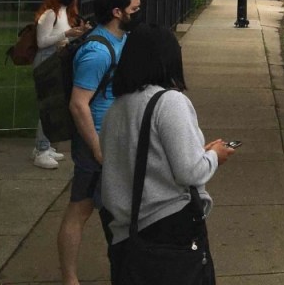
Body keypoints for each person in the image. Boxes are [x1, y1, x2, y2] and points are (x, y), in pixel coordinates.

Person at [100, 24, 235, 281]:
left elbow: (134, 160)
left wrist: (199, 153)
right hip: (168, 228)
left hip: (126, 233)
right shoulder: (170, 102)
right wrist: (215, 156)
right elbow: (190, 172)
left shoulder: (115, 110)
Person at [57, 0, 141, 285]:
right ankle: (70, 279)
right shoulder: (96, 51)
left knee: (117, 210)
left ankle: (124, 269)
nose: (138, 13)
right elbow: (78, 105)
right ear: (117, 12)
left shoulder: (121, 39)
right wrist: (96, 149)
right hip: (97, 141)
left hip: (114, 139)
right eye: (134, 9)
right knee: (81, 209)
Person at [32, 0, 89, 170]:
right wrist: (67, 33)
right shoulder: (49, 14)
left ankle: (45, 146)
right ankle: (41, 149)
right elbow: (42, 41)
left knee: (54, 105)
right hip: (47, 59)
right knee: (49, 106)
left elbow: (64, 35)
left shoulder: (65, 12)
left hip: (58, 57)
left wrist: (77, 33)